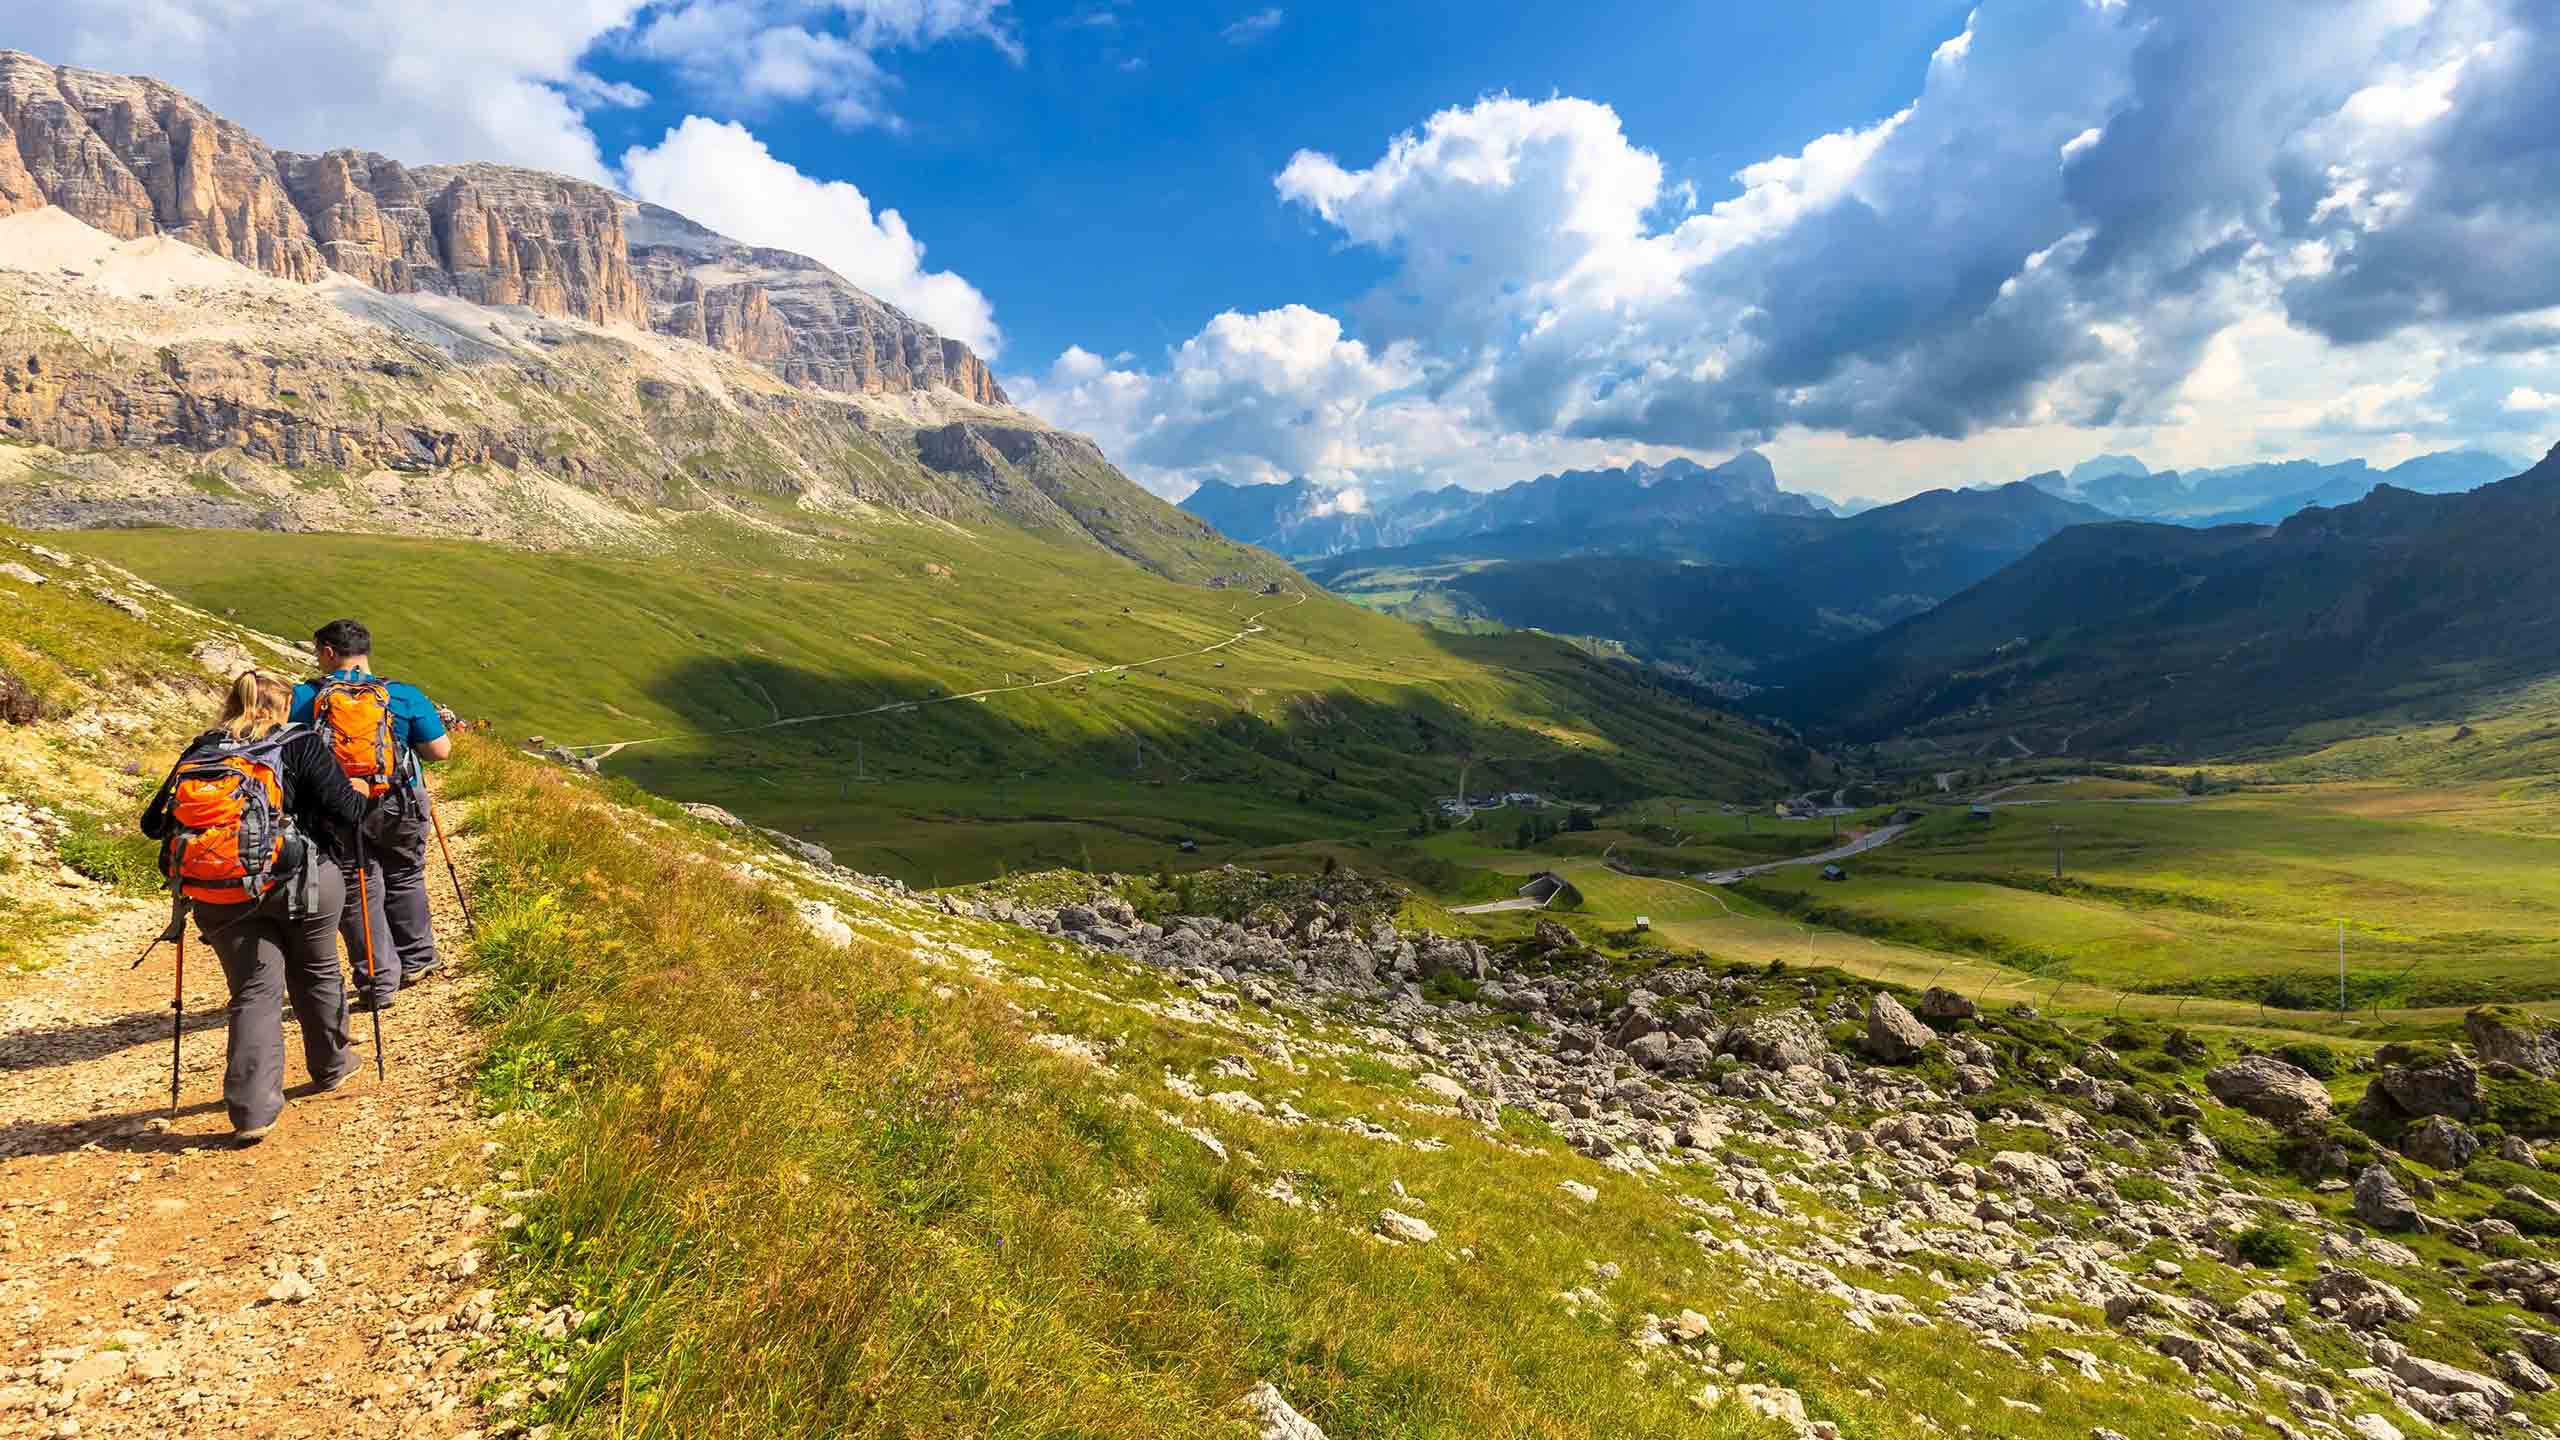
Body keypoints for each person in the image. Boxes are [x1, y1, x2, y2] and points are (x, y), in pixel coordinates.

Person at [142, 671, 370, 1143]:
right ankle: (332, 1065)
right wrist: (362, 792)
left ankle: (252, 1112)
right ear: (282, 706)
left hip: (221, 891)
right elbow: (348, 811)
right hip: (303, 881)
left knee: (253, 990)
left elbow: (152, 824)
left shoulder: (202, 750)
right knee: (317, 970)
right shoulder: (300, 743)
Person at [291, 619, 452, 1010]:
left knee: (357, 885)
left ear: (329, 652)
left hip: (337, 804)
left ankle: (379, 981)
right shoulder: (402, 694)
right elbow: (440, 751)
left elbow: (290, 748)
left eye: (318, 652)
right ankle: (417, 958)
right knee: (405, 873)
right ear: (365, 649)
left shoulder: (305, 696)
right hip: (399, 800)